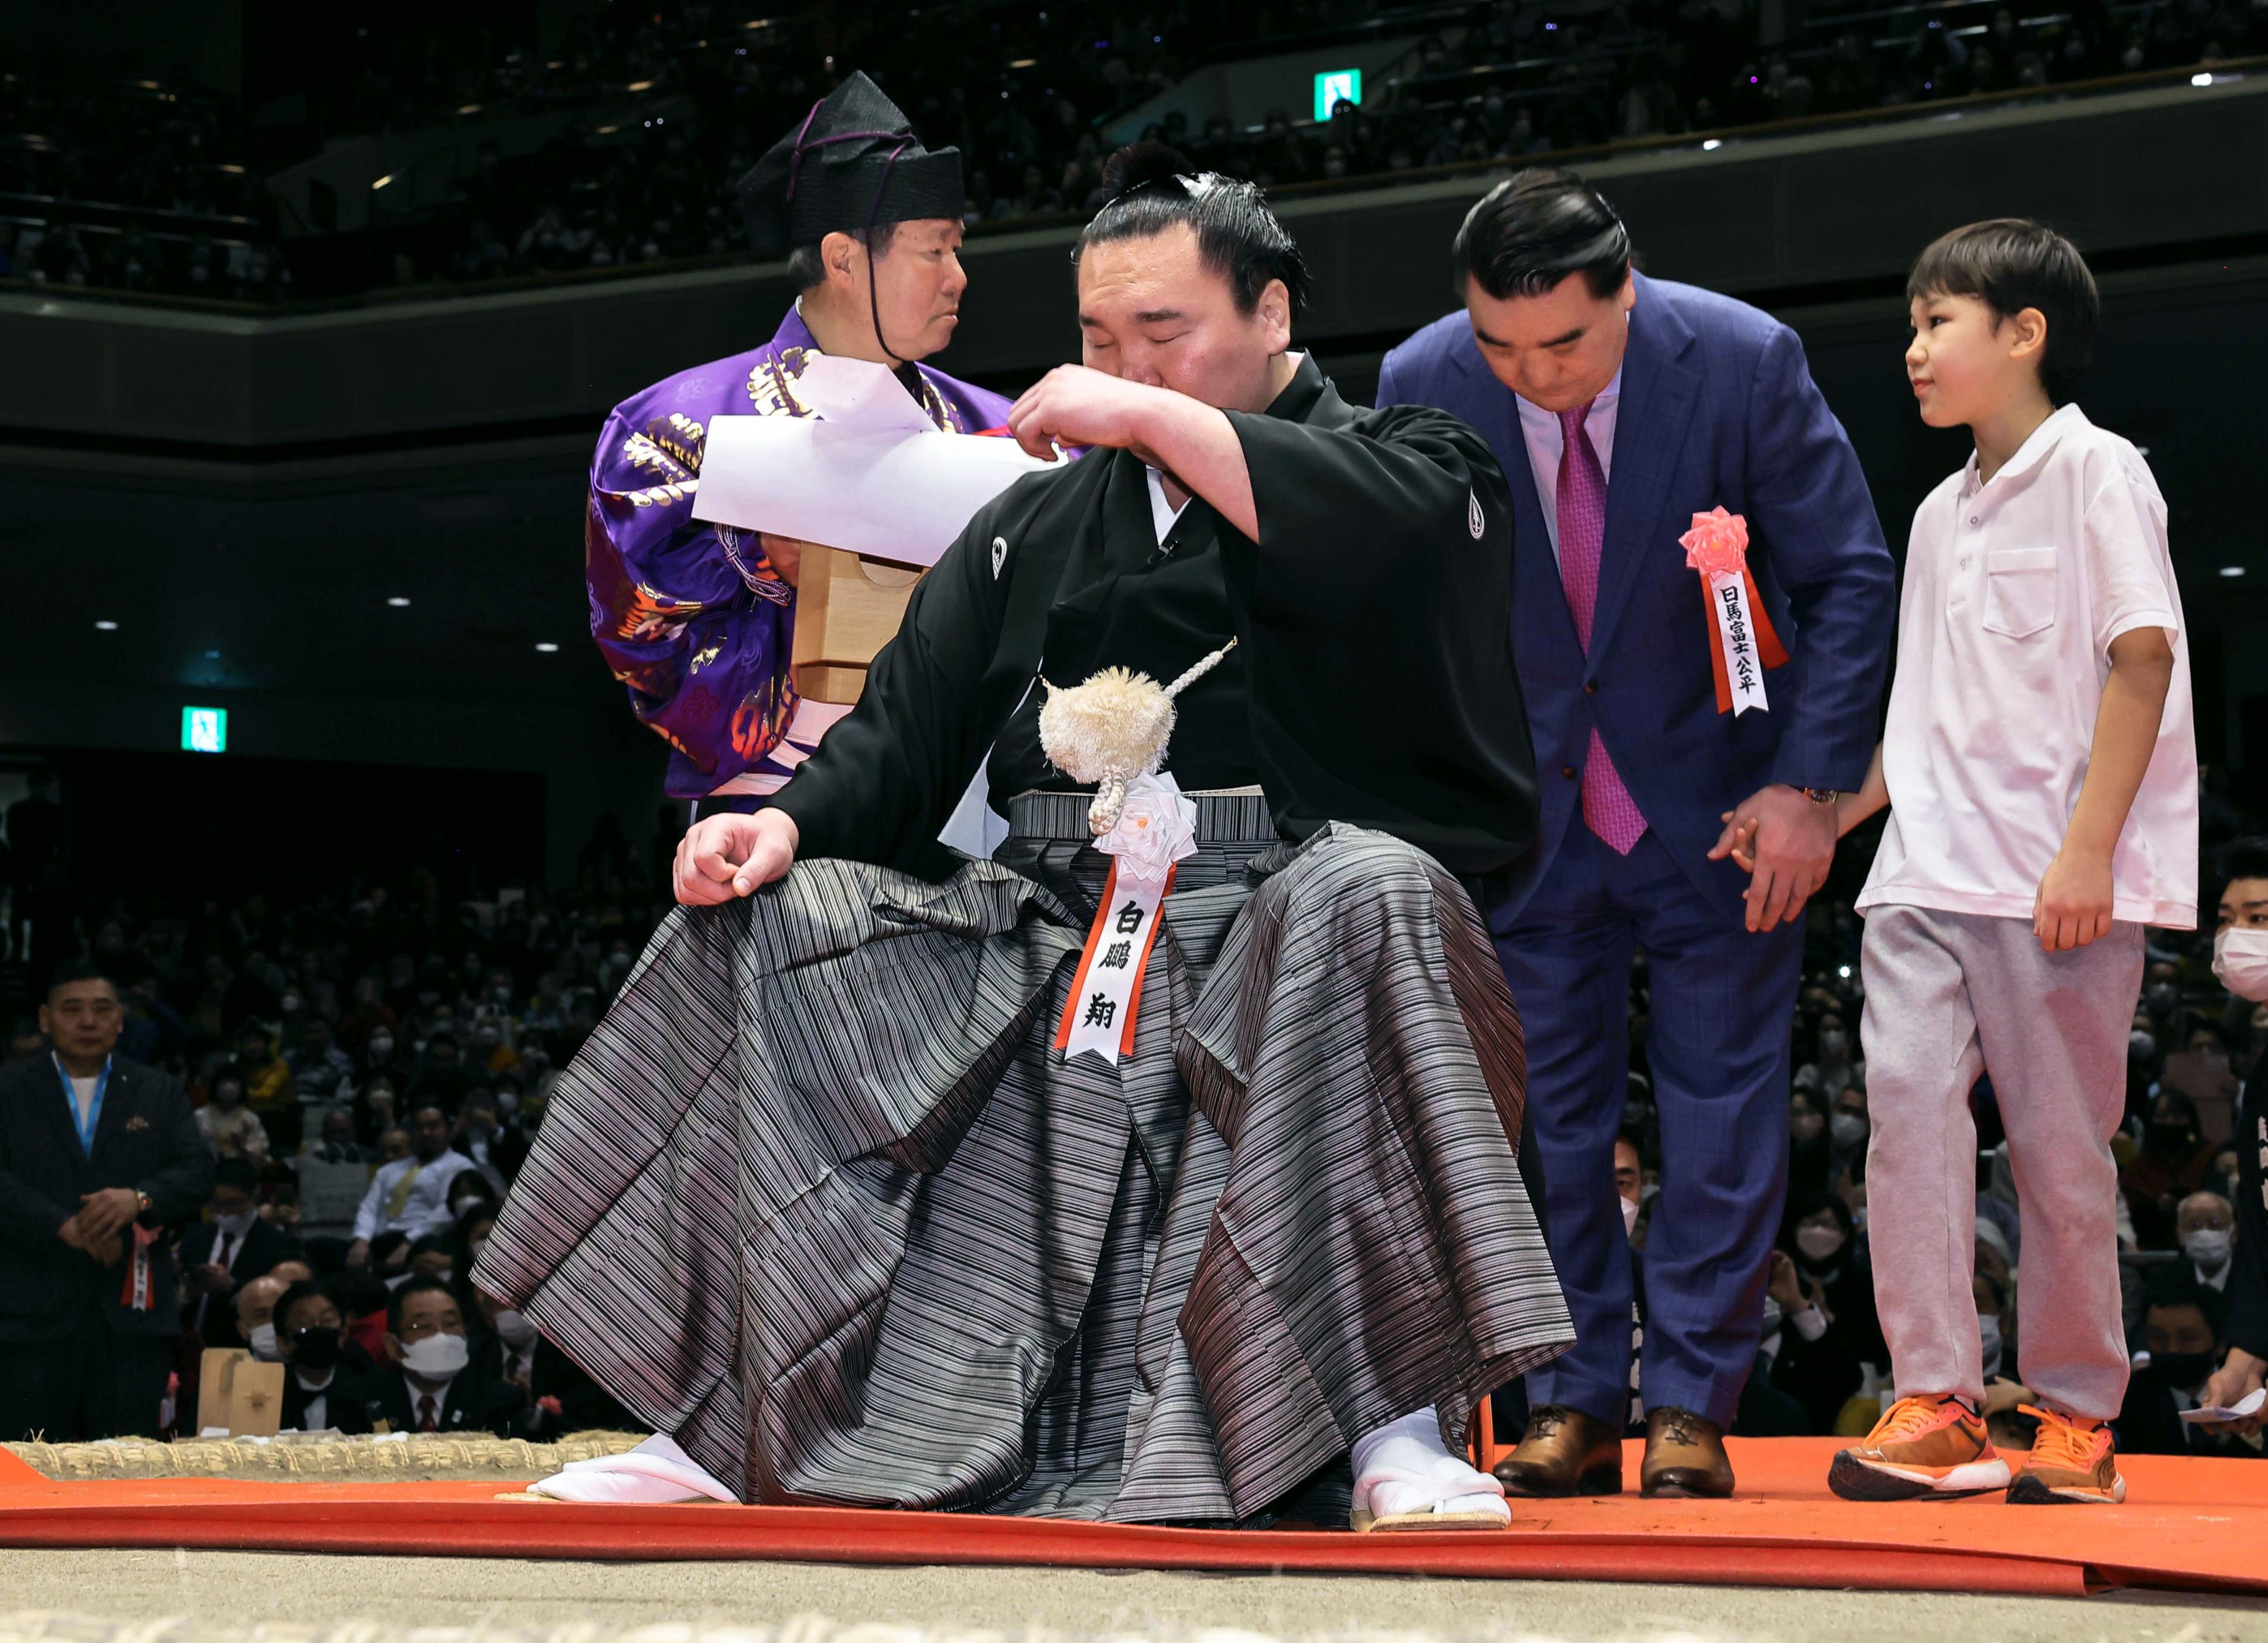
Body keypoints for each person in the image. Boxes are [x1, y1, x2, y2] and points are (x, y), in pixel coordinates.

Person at [480, 143, 1571, 1526]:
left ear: (1274, 315)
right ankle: (727, 1420)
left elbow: (1395, 547)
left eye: (1162, 335)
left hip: (1285, 918)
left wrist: (1153, 421)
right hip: (1049, 917)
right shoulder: (1034, 518)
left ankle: (1388, 1425)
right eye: (1098, 341)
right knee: (777, 917)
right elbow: (901, 733)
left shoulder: (1420, 460)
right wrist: (780, 824)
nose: (1124, 370)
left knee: (1380, 888)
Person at [1376, 167, 1895, 1500]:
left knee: (1723, 1111)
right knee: (1544, 1121)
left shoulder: (1736, 358)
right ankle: (1569, 1398)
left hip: (1727, 810)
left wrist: (1811, 785)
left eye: (1563, 343)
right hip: (1526, 816)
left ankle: (1689, 1407)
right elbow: (1401, 607)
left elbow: (1845, 574)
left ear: (1627, 293)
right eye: (1501, 344)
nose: (1531, 374)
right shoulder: (1421, 377)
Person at [1825, 220, 2195, 1505]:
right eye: (1913, 325)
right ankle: (1933, 1395)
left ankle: (2079, 1412)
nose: (1913, 349)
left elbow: (2140, 660)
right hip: (1922, 871)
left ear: (2022, 332)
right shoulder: (1936, 509)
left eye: (1939, 322)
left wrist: (2088, 848)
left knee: (2055, 1153)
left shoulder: (2099, 472)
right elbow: (1916, 710)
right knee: (1907, 1133)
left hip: (2053, 881)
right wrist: (1834, 815)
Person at [587, 71, 1011, 813]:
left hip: (967, 815)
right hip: (767, 806)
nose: (960, 278)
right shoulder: (677, 428)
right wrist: (756, 553)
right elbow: (641, 640)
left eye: (958, 249)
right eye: (935, 252)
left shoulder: (1004, 432)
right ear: (844, 259)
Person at [0, 960, 214, 1442]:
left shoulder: (157, 1090)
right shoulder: (9, 1088)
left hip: (131, 1321)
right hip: (29, 1314)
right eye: (72, 1010)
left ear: (121, 1019)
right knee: (31, 1468)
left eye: (101, 1010)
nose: (88, 1022)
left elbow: (198, 1172)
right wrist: (62, 1226)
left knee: (126, 1467)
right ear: (44, 1019)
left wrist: (138, 1199)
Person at [2197, 842, 2268, 1438]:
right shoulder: (2263, 1073)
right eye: (2227, 919)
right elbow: (2263, 1226)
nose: (2236, 935)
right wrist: (2244, 1357)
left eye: (2259, 918)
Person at [365, 1275, 521, 1436]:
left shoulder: (500, 1403)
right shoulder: (363, 1401)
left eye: (451, 1323)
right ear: (393, 1346)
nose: (441, 1337)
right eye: (423, 1326)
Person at [180, 1156, 297, 1350]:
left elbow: (282, 1303)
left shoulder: (278, 1245)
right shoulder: (195, 1237)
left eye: (234, 1204)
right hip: (189, 1346)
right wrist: (187, 1288)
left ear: (255, 1196)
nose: (225, 1212)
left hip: (242, 1348)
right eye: (217, 1204)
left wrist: (233, 1287)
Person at [346, 1103, 474, 1265]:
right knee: (322, 1247)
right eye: (420, 1127)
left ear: (449, 1130)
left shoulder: (459, 1166)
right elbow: (369, 1207)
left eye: (433, 1126)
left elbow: (446, 1211)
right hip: (381, 1238)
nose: (425, 1132)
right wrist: (362, 1240)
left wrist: (409, 1241)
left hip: (422, 1237)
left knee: (427, 1245)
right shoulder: (389, 1170)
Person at [273, 1279, 375, 1434]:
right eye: (304, 1324)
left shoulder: (371, 1388)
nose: (317, 1329)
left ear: (343, 1334)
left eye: (327, 1320)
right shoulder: (270, 1394)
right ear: (283, 1343)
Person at [194, 1070, 268, 1165]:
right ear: (215, 1086)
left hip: (239, 1170)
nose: (228, 1087)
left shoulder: (250, 1119)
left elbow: (259, 1152)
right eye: (224, 1082)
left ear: (241, 1088)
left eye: (234, 1082)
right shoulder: (199, 1115)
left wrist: (241, 1148)